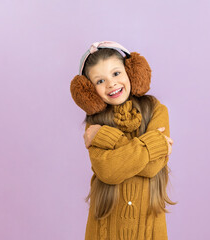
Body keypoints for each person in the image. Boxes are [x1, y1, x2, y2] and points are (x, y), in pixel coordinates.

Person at [70, 41, 177, 240]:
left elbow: (152, 167)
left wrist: (105, 137)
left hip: (149, 229)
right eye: (99, 81)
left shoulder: (156, 110)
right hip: (104, 230)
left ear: (132, 73)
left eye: (116, 73)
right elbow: (108, 172)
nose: (111, 83)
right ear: (90, 91)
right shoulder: (94, 124)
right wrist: (153, 144)